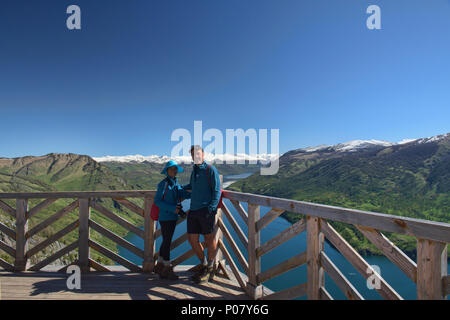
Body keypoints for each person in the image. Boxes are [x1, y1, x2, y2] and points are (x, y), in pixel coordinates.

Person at [183, 145, 222, 284]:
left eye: (198, 154)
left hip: (206, 210)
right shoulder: (194, 171)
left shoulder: (210, 170)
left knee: (209, 239)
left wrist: (211, 208)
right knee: (192, 239)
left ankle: (210, 268)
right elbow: (192, 187)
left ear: (203, 154)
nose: (196, 157)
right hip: (193, 210)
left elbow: (217, 190)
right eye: (193, 155)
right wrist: (178, 189)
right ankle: (204, 264)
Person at [153, 160, 190, 280]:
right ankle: (167, 269)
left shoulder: (175, 183)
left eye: (175, 169)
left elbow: (182, 193)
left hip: (172, 217)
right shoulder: (163, 184)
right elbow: (157, 201)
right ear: (167, 171)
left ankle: (159, 265)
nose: (174, 171)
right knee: (167, 242)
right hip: (165, 217)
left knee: (165, 241)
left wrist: (197, 193)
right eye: (171, 169)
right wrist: (172, 208)